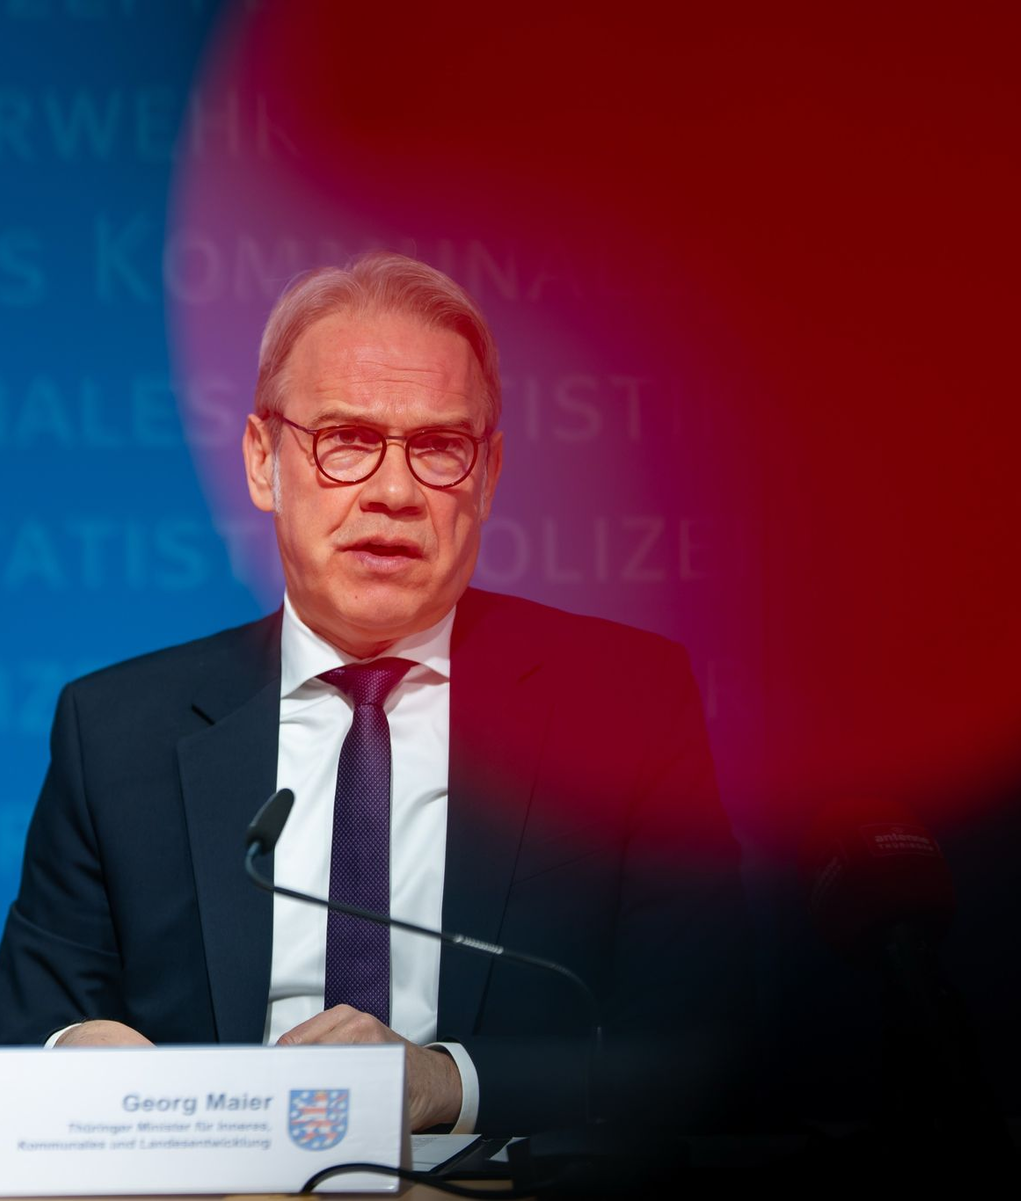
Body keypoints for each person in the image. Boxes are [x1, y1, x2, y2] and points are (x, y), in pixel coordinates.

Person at [0, 251, 749, 1135]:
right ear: (261, 461)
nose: (393, 492)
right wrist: (73, 1053)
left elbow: (701, 1044)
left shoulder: (622, 704)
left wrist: (445, 1083)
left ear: (489, 474)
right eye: (345, 441)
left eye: (439, 448)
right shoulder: (115, 730)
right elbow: (32, 1032)